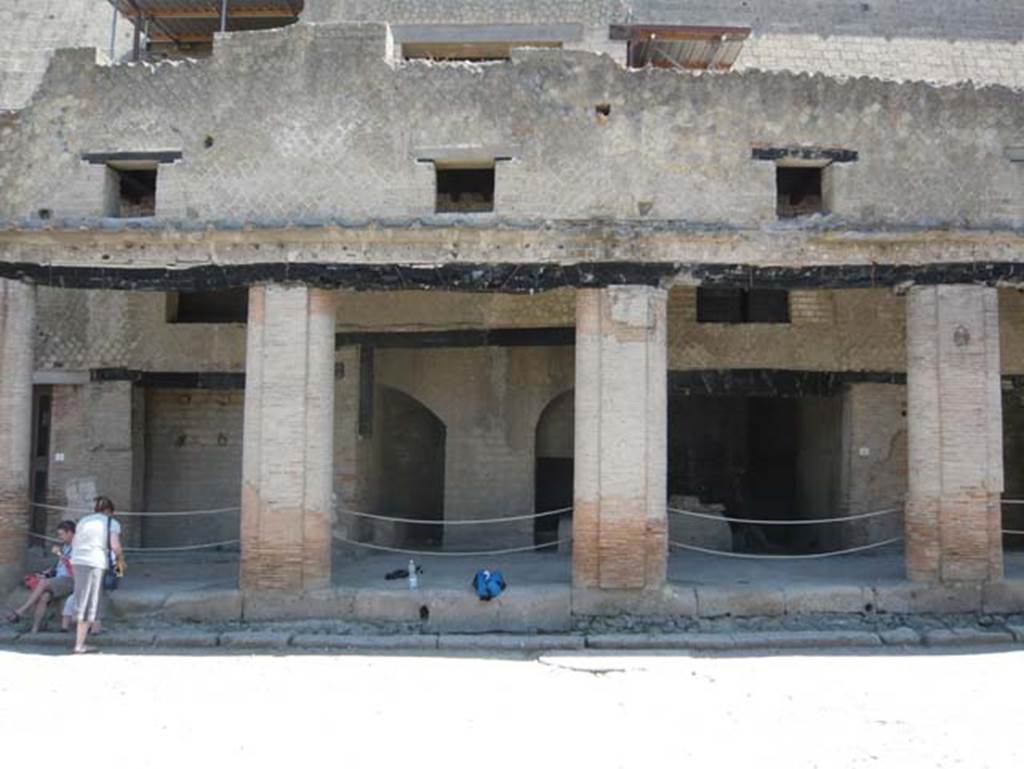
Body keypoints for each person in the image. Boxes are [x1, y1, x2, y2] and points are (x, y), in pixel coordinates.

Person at [70, 496, 124, 654]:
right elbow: (115, 546)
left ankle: (93, 630)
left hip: (78, 561)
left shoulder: (84, 521)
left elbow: (74, 543)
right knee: (87, 601)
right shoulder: (110, 522)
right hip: (93, 562)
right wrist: (121, 558)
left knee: (84, 596)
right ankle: (79, 644)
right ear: (109, 511)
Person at [5, 520, 76, 633]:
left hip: (70, 580)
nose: (60, 537)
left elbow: (73, 569)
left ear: (70, 533)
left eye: (62, 534)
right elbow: (59, 567)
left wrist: (61, 555)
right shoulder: (65, 547)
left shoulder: (78, 548)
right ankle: (35, 629)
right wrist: (46, 573)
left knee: (43, 583)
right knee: (43, 597)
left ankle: (20, 611)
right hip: (58, 580)